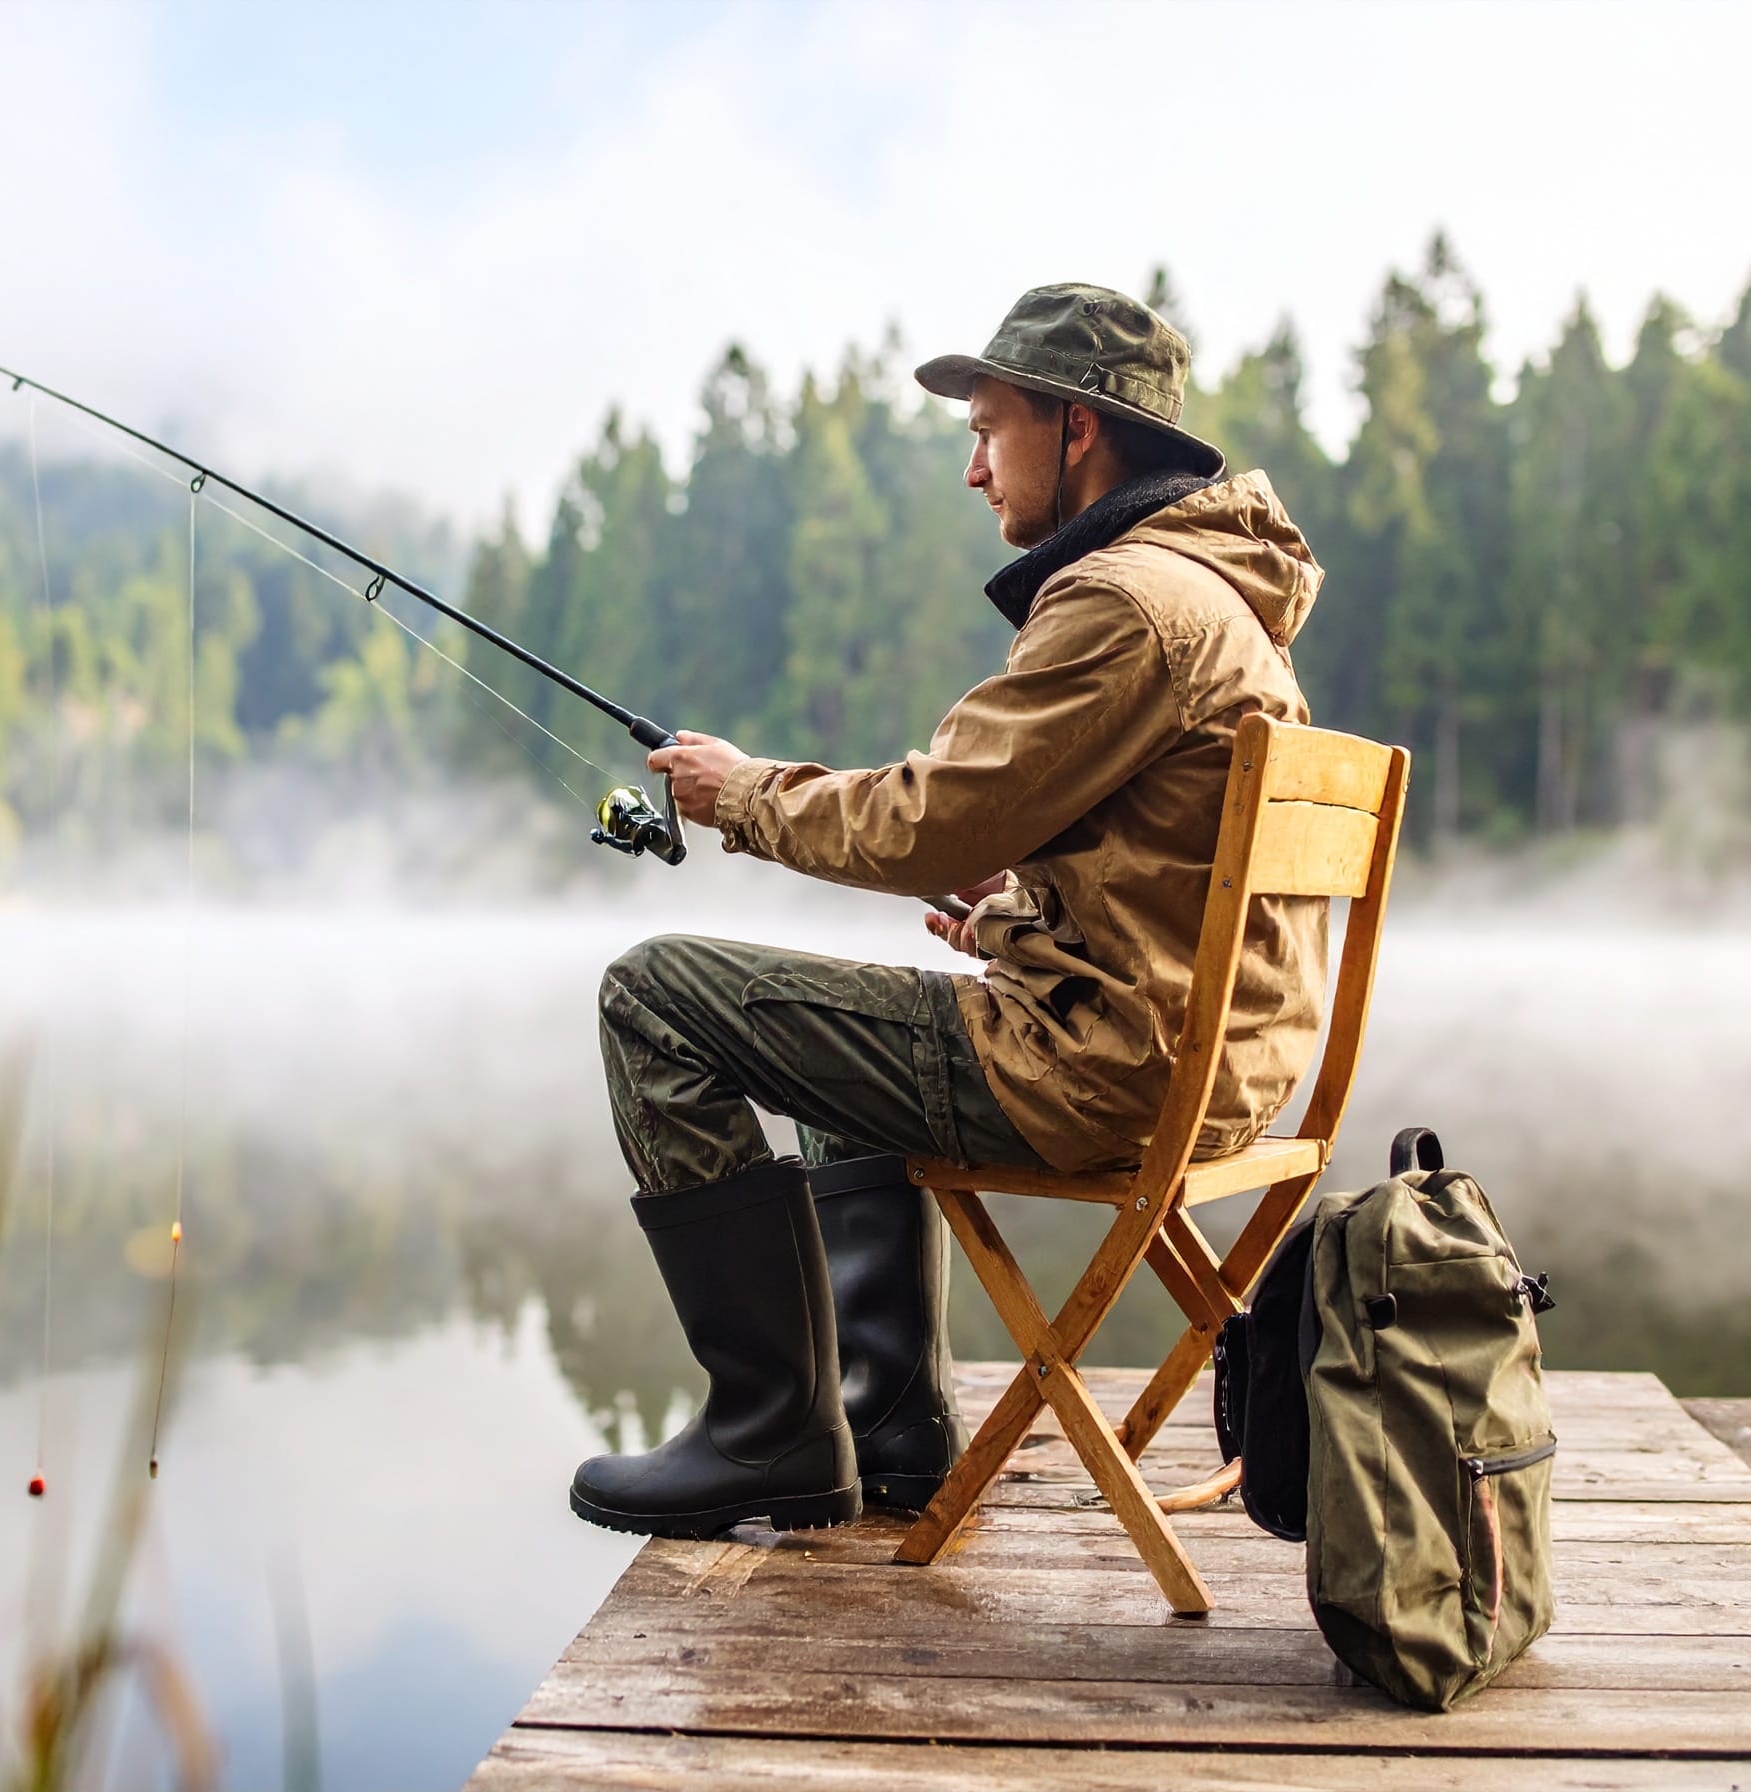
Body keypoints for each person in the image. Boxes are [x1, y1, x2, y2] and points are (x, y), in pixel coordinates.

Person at [570, 283, 1330, 1539]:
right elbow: (1158, 878)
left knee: (655, 994)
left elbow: (929, 820)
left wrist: (743, 793)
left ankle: (771, 1432)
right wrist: (1015, 917)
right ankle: (891, 1426)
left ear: (1076, 430)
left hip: (1109, 1075)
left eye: (988, 430)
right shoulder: (1220, 607)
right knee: (820, 1036)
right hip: (1210, 1063)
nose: (974, 471)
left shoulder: (1127, 603)